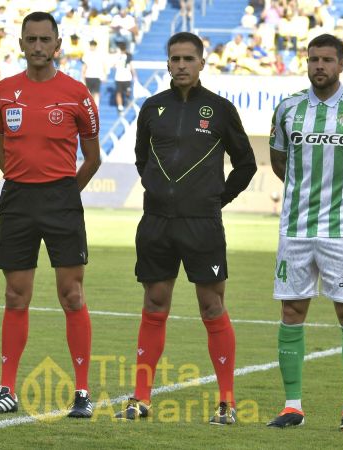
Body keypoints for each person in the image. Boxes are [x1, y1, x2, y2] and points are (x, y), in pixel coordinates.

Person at [114, 32, 257, 425]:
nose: (181, 65)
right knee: (154, 304)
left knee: (212, 307)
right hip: (157, 223)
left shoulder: (220, 109)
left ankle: (226, 401)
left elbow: (246, 164)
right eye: (174, 58)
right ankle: (140, 398)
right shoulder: (151, 108)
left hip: (202, 225)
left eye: (188, 59)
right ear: (167, 63)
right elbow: (143, 159)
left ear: (201, 63)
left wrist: (216, 199)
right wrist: (160, 193)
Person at [0, 11, 101, 419]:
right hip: (17, 199)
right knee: (15, 295)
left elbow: (93, 157)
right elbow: (0, 143)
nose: (39, 46)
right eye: (32, 39)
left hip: (61, 197)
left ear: (57, 44)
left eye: (46, 39)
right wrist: (22, 182)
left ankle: (82, 392)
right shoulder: (4, 92)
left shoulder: (77, 93)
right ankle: (6, 387)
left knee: (71, 295)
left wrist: (65, 194)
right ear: (22, 44)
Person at [267, 33, 343, 432]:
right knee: (291, 311)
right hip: (296, 229)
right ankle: (292, 406)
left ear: (341, 65)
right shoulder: (287, 109)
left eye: (327, 60)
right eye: (313, 59)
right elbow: (278, 161)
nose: (319, 65)